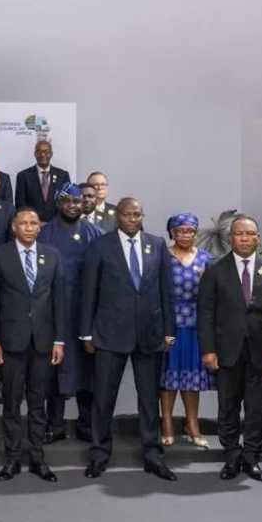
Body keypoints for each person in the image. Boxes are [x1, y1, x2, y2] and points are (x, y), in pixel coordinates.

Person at [81, 197, 176, 481]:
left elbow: (166, 290)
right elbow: (89, 291)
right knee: (103, 398)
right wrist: (86, 332)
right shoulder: (100, 245)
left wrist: (169, 330)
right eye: (127, 215)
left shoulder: (156, 244)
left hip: (150, 333)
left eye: (137, 215)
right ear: (117, 216)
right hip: (110, 333)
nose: (132, 219)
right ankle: (99, 454)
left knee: (148, 398)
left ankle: (153, 455)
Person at [198, 215, 262, 482]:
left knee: (257, 408)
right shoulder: (215, 269)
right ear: (230, 238)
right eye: (239, 234)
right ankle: (232, 456)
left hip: (261, 350)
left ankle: (252, 457)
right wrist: (208, 349)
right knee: (228, 406)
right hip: (226, 350)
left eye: (249, 234)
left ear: (258, 239)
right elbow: (206, 312)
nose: (244, 238)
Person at [0, 208, 65, 482]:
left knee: (38, 403)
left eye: (33, 223)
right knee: (11, 402)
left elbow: (59, 301)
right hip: (10, 341)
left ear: (40, 227)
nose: (29, 227)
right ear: (13, 226)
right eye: (24, 223)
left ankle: (37, 458)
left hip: (43, 342)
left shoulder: (52, 255)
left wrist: (59, 340)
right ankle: (12, 458)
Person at [38, 184, 102, 443]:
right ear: (58, 204)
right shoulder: (44, 234)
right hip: (52, 313)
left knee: (88, 371)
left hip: (85, 314)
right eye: (67, 201)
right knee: (54, 370)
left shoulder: (95, 233)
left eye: (77, 201)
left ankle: (87, 424)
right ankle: (55, 424)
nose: (73, 206)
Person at [159, 213, 215, 448]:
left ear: (196, 233)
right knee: (168, 374)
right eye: (180, 231)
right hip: (168, 323)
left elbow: (214, 294)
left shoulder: (207, 259)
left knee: (192, 376)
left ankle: (192, 424)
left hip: (196, 324)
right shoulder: (162, 256)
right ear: (172, 233)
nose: (185, 235)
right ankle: (167, 422)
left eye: (190, 231)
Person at [14, 140, 70, 223]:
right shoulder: (23, 176)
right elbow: (21, 204)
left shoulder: (63, 175)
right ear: (35, 154)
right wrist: (35, 222)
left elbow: (66, 202)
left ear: (51, 154)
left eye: (46, 152)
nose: (42, 155)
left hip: (58, 225)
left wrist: (55, 223)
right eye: (39, 152)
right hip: (32, 225)